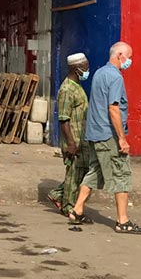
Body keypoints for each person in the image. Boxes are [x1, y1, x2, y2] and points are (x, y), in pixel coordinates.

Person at [71, 41, 141, 235]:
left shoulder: (99, 73)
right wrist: (122, 138)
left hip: (95, 133)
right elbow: (113, 108)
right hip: (108, 134)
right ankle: (123, 221)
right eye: (128, 57)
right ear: (119, 55)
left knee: (95, 171)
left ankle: (77, 210)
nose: (129, 61)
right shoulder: (115, 77)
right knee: (121, 174)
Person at [47, 53, 90, 223]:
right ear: (75, 68)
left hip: (82, 138)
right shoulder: (66, 89)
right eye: (85, 67)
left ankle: (57, 194)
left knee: (82, 173)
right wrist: (71, 143)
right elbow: (63, 118)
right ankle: (69, 208)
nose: (87, 70)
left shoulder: (78, 86)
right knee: (74, 175)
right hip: (74, 140)